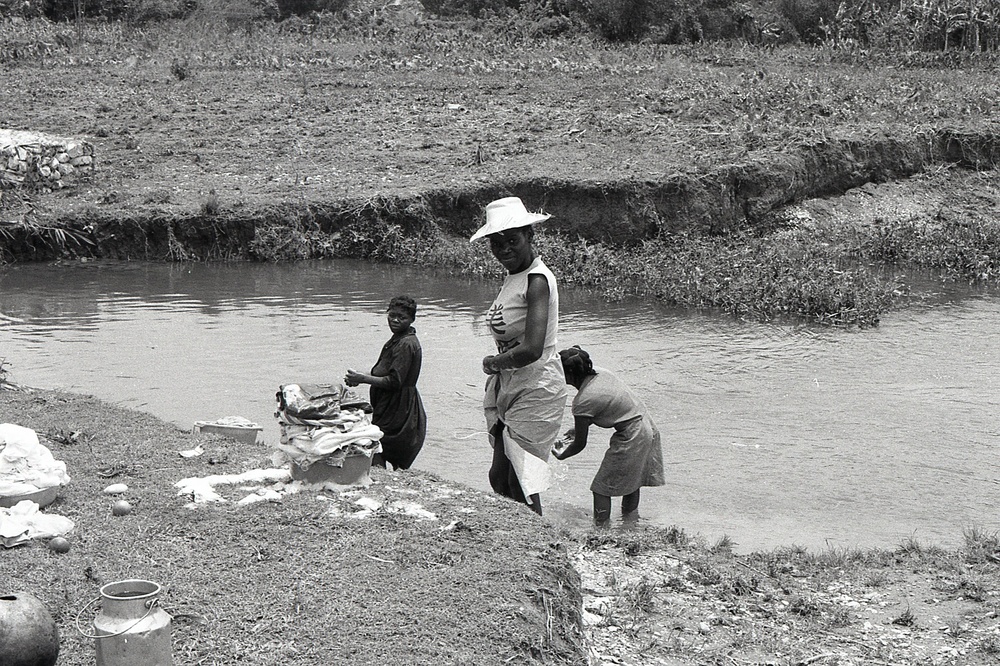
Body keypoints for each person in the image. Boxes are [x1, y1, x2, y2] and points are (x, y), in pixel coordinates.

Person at [472, 196, 567, 516]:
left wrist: (493, 363)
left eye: (512, 241)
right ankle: (519, 534)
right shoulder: (514, 276)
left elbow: (532, 348)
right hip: (512, 380)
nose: (504, 250)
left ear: (530, 236)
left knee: (521, 478)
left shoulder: (538, 279)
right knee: (500, 475)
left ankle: (537, 543)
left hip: (537, 382)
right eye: (496, 244)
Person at [554, 346, 665, 527]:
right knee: (632, 482)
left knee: (601, 489)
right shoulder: (601, 373)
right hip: (647, 426)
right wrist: (577, 429)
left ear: (569, 375)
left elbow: (580, 444)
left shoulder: (582, 401)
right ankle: (629, 524)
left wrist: (562, 454)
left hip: (632, 435)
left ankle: (601, 529)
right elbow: (609, 404)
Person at [345, 295, 427, 470]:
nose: (395, 320)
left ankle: (382, 474)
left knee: (379, 443)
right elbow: (385, 371)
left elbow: (394, 381)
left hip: (398, 406)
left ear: (412, 319)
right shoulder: (398, 339)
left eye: (402, 317)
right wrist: (361, 377)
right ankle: (384, 473)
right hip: (390, 404)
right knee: (379, 442)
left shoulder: (406, 344)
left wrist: (363, 379)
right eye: (392, 315)